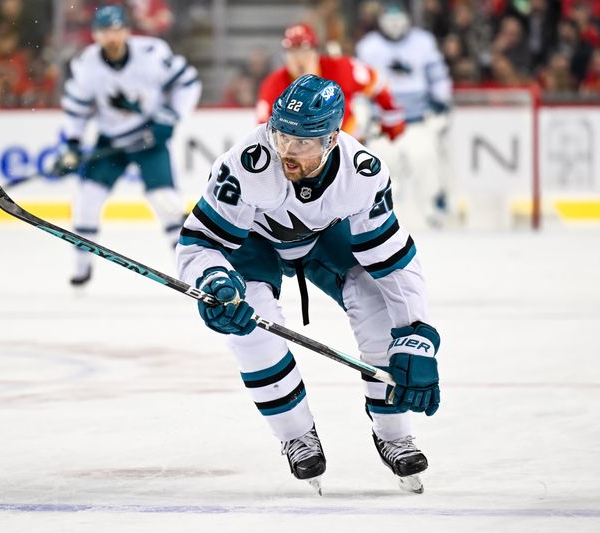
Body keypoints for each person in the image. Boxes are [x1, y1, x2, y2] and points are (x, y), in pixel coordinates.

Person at [177, 74, 441, 494]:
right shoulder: (245, 163)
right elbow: (199, 243)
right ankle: (295, 434)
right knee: (252, 327)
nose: (286, 151)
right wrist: (214, 281)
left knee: (376, 307)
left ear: (332, 139)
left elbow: (393, 262)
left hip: (324, 241)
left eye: (302, 143)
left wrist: (417, 334)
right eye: (281, 136)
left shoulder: (363, 173)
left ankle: (394, 434)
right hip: (253, 242)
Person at [54, 5, 201, 286]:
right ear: (95, 35)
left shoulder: (152, 54)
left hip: (149, 141)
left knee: (168, 204)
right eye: (105, 31)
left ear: (127, 30)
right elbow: (77, 110)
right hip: (112, 141)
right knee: (87, 199)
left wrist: (170, 117)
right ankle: (81, 268)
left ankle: (193, 271)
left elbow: (188, 83)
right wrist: (72, 143)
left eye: (117, 29)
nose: (112, 37)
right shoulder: (87, 65)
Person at [356, 2, 453, 228]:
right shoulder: (368, 47)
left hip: (416, 122)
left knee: (426, 164)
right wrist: (363, 117)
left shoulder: (423, 42)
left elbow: (438, 76)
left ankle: (434, 212)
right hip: (383, 126)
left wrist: (441, 102)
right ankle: (382, 223)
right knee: (382, 175)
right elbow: (361, 87)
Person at [256, 23, 405, 142]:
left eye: (304, 50)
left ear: (316, 52)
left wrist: (390, 115)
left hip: (348, 149)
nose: (299, 59)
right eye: (292, 52)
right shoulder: (273, 84)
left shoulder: (341, 69)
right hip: (302, 158)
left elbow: (377, 81)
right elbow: (263, 129)